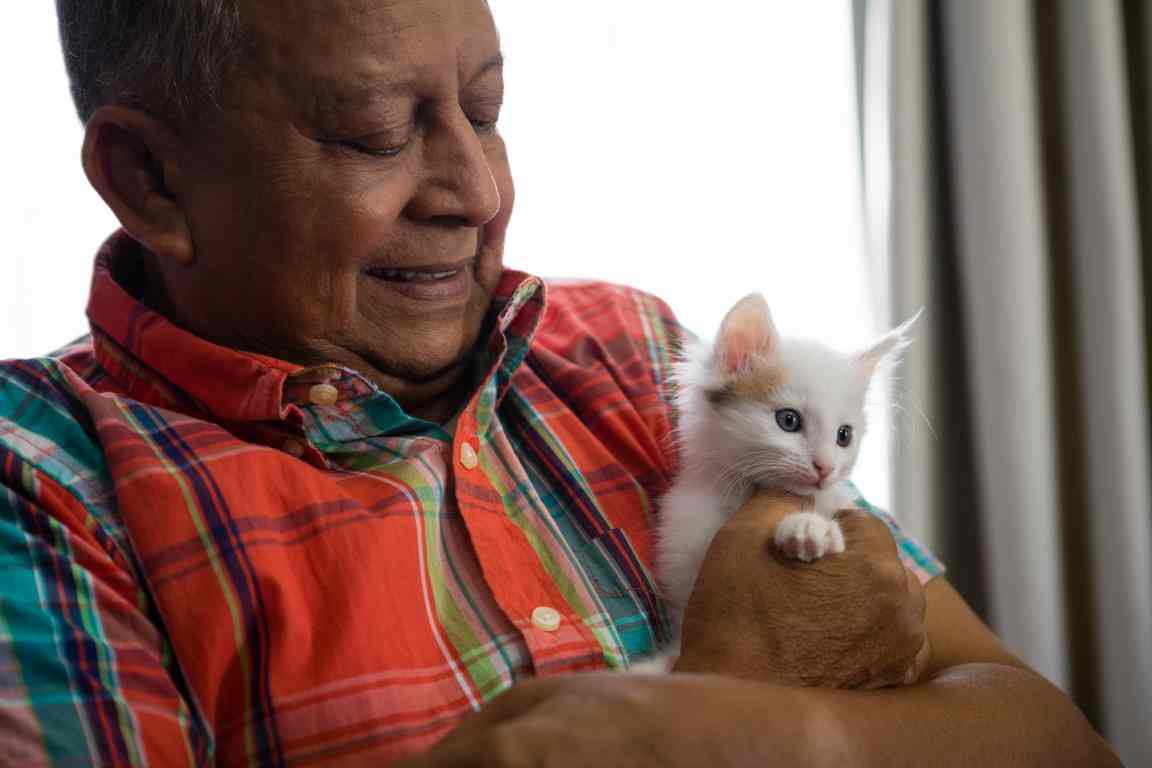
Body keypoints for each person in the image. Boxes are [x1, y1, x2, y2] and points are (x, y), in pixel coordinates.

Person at [0, 1, 1117, 765]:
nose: (478, 189)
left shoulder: (634, 351)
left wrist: (756, 739)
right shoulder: (43, 480)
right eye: (373, 133)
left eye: (486, 111)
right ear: (150, 179)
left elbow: (1053, 738)